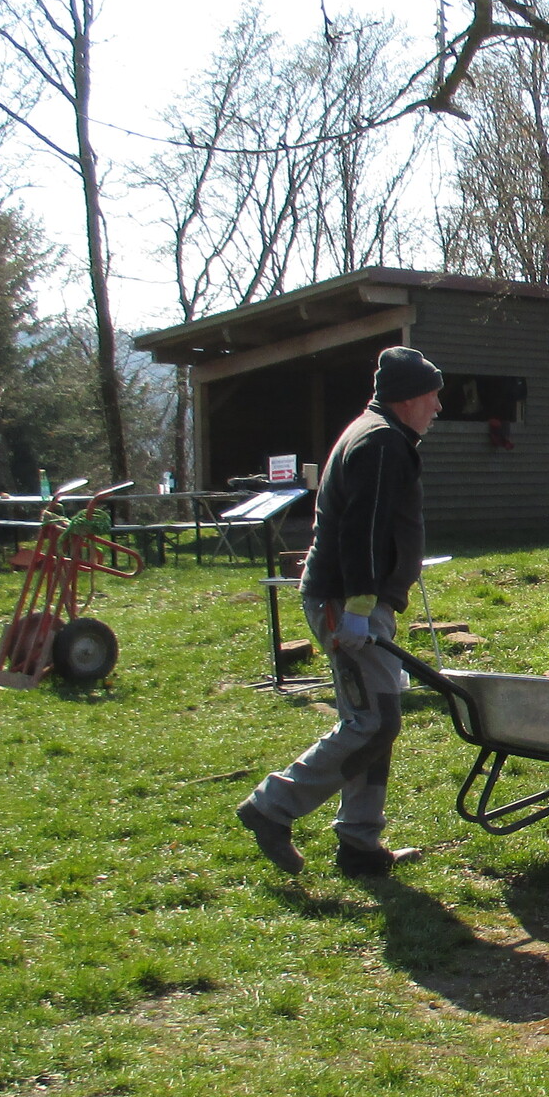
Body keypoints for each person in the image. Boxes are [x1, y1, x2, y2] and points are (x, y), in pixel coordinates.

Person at [236, 346, 446, 878]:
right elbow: (362, 530)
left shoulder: (378, 435)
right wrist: (357, 609)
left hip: (358, 600)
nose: (438, 407)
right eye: (433, 396)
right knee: (374, 721)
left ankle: (359, 843)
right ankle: (272, 807)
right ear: (409, 398)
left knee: (374, 718)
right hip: (347, 602)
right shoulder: (381, 443)